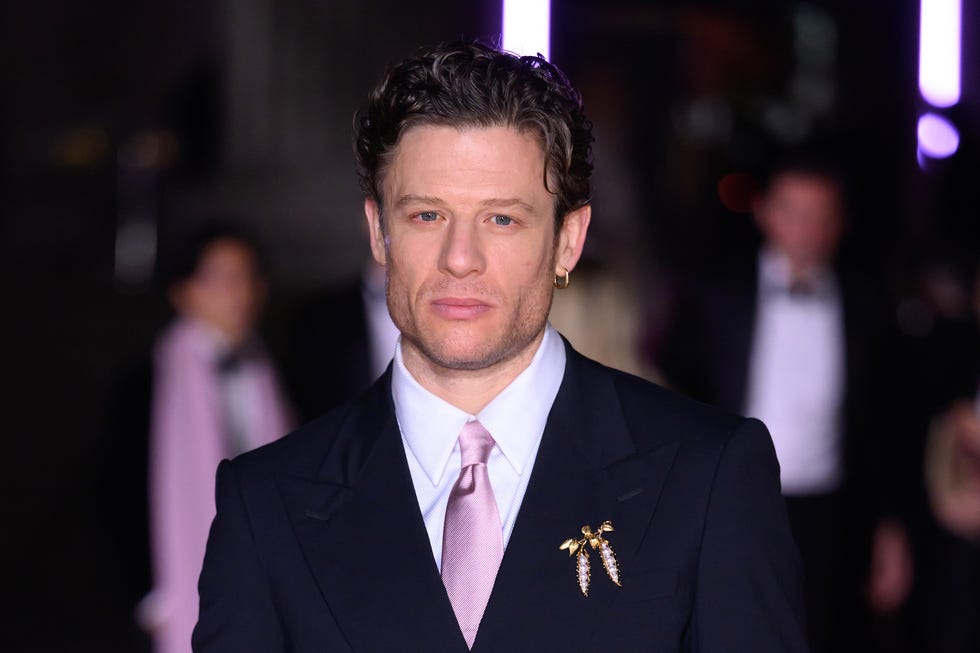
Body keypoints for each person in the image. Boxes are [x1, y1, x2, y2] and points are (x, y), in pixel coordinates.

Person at [193, 41, 806, 652]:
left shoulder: (706, 476)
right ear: (379, 231)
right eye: (427, 216)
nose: (460, 259)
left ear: (568, 240)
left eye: (502, 219)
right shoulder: (266, 503)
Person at [657, 155, 911, 652]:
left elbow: (887, 424)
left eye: (820, 216)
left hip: (831, 513)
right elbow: (676, 393)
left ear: (841, 223)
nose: (805, 229)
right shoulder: (717, 294)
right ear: (765, 213)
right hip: (733, 501)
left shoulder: (868, 304)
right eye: (793, 212)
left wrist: (890, 527)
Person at [103, 221, 294, 653]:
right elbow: (118, 492)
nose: (239, 291)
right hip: (175, 590)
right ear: (183, 290)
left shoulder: (275, 371)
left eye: (247, 276)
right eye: (221, 278)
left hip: (264, 583)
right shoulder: (146, 382)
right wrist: (149, 593)